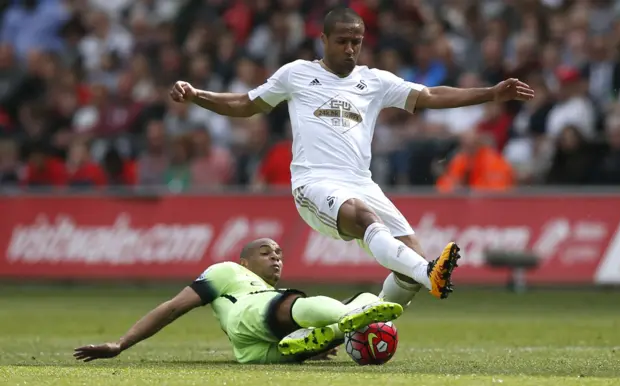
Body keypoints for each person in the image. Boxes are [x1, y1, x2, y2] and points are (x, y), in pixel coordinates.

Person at [168, 8, 535, 306]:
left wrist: (491, 93)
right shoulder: (297, 74)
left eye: (356, 42)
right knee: (367, 219)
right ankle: (430, 274)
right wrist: (198, 94)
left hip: (361, 181)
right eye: (342, 41)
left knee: (406, 261)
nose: (349, 49)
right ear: (324, 40)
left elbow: (430, 95)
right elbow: (246, 105)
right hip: (314, 182)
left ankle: (365, 323)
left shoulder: (373, 80)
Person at [73, 238, 403, 364]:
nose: (275, 258)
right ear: (244, 262)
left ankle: (314, 338)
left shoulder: (270, 291)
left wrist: (318, 348)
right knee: (299, 304)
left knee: (315, 312)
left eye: (279, 254)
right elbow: (174, 306)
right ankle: (348, 317)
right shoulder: (229, 272)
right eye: (265, 253)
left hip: (253, 352)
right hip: (250, 316)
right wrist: (122, 343)